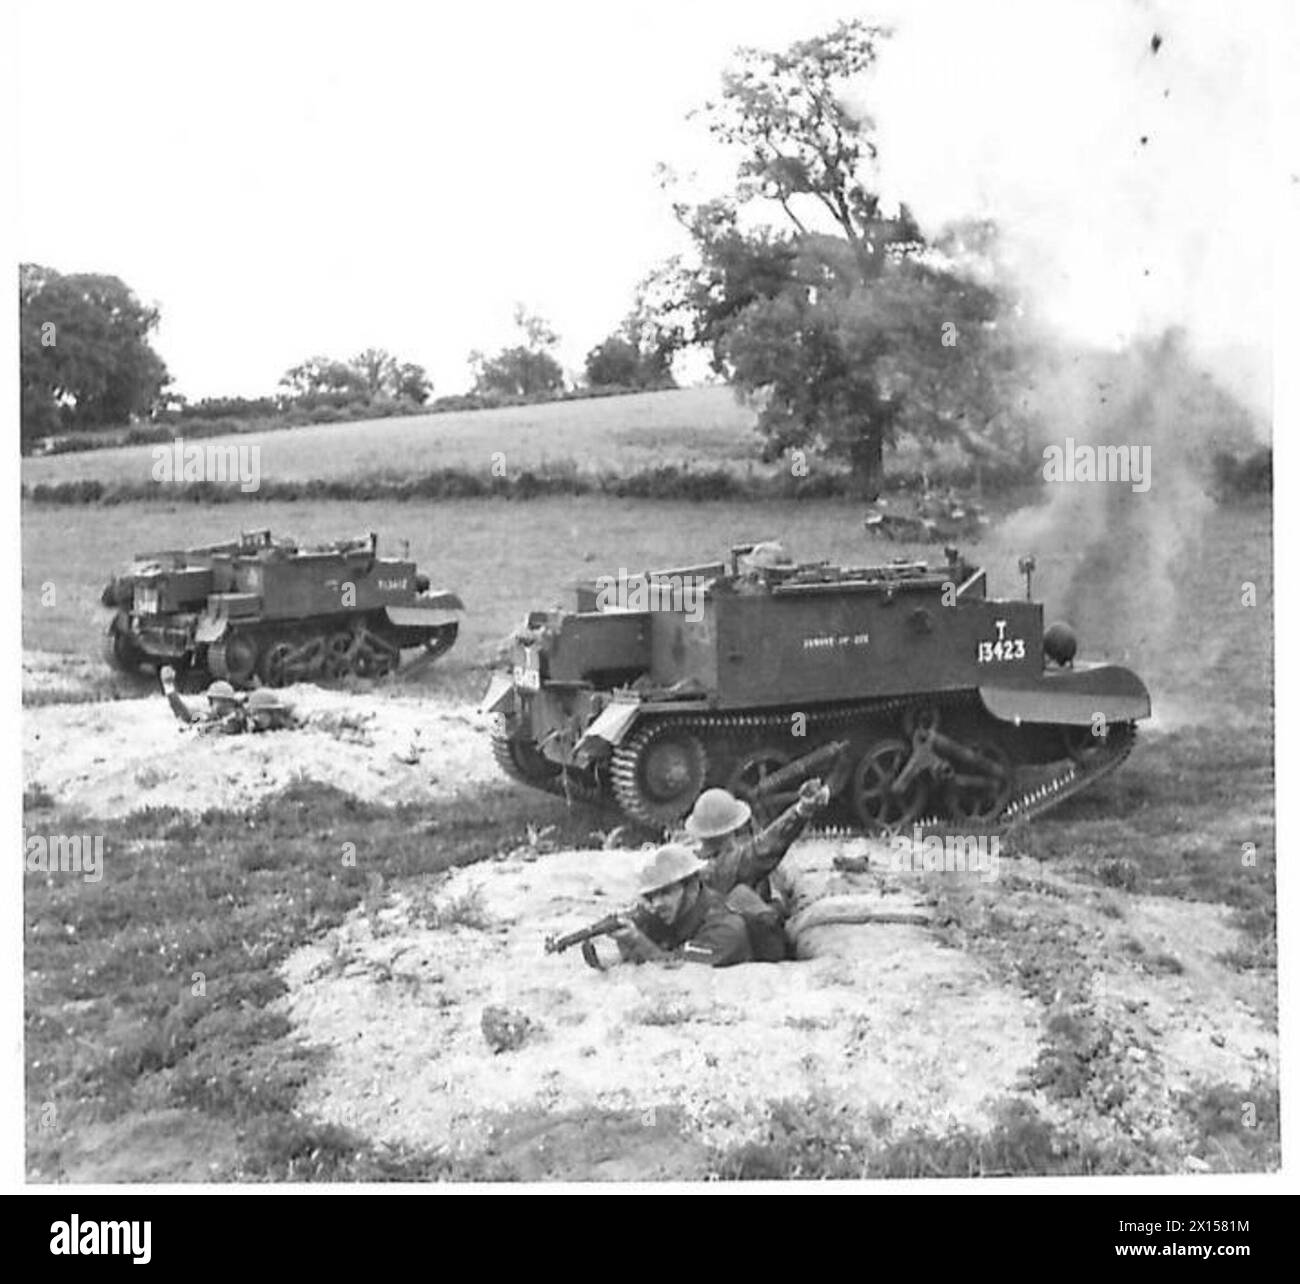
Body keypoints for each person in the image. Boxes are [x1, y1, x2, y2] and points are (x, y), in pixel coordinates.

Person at [606, 845, 758, 968]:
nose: (657, 904)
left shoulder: (726, 929)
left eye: (666, 892)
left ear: (692, 887)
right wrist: (625, 951)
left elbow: (678, 972)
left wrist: (639, 942)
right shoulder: (666, 915)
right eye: (650, 896)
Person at [684, 777, 831, 902]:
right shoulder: (729, 866)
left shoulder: (688, 860)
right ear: (731, 830)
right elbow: (765, 847)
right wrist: (802, 810)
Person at [160, 666, 249, 735]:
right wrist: (169, 688)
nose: (212, 706)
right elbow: (186, 715)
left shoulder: (240, 717)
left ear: (228, 702)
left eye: (215, 701)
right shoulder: (213, 716)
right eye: (212, 702)